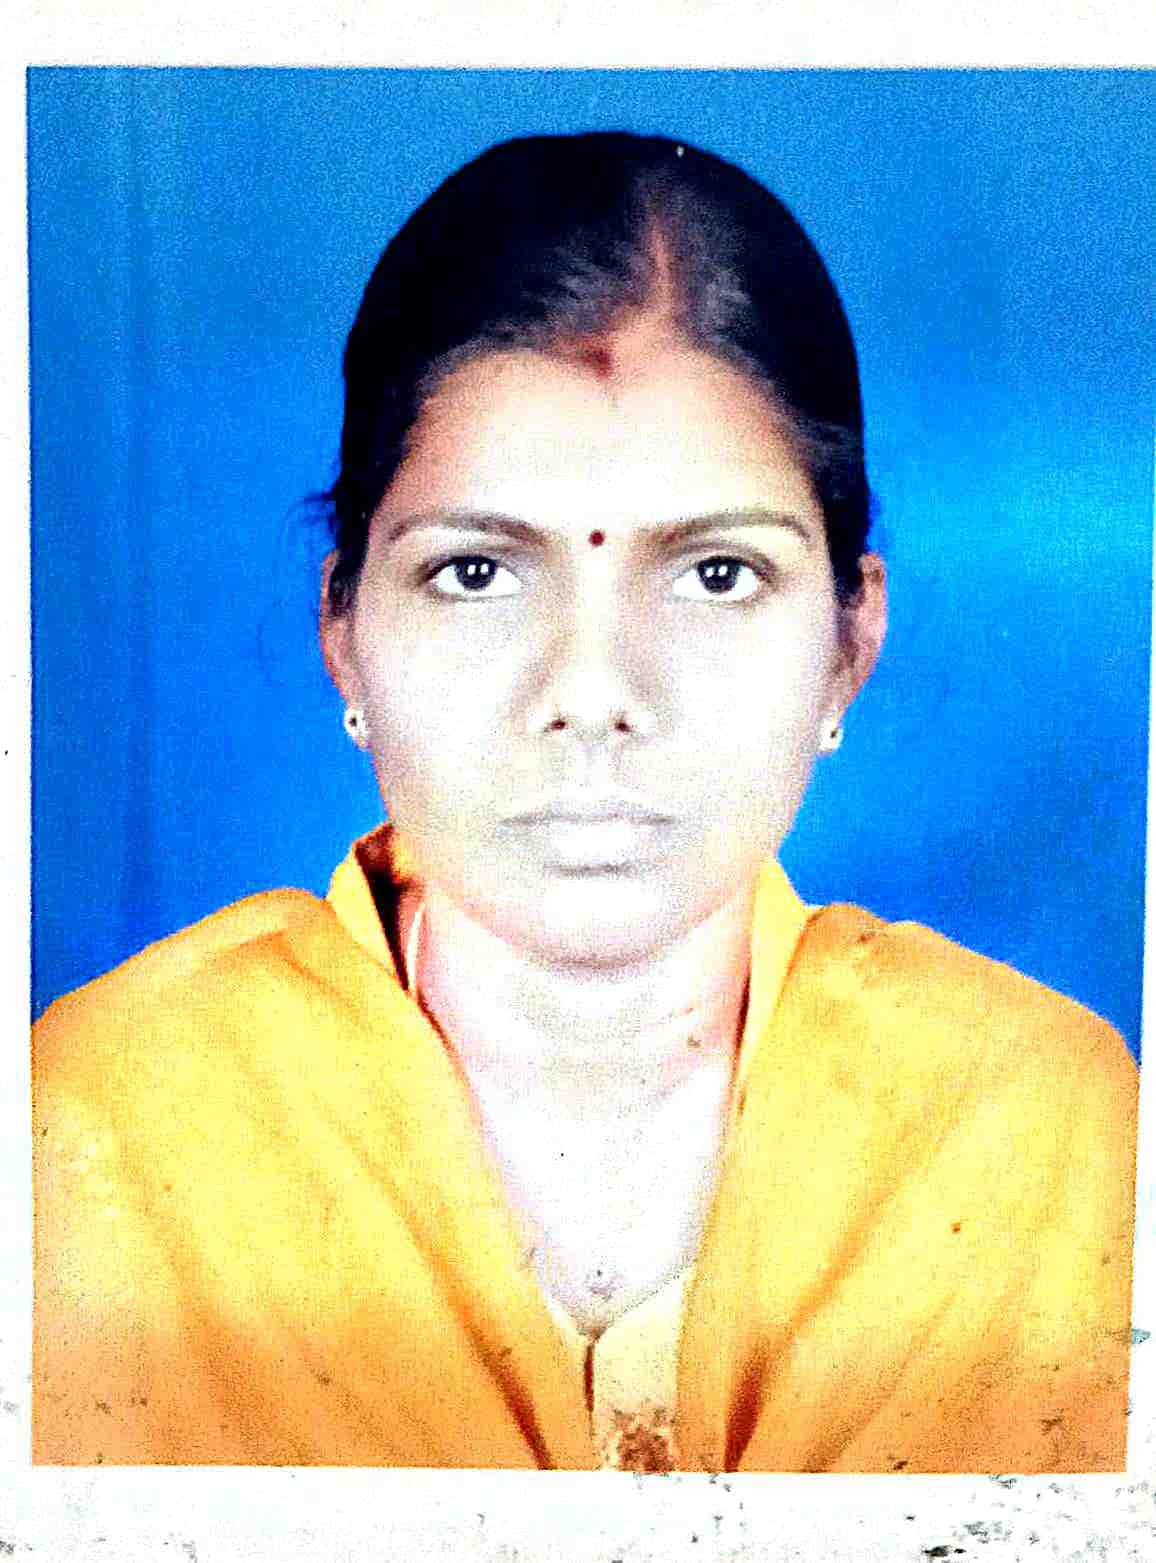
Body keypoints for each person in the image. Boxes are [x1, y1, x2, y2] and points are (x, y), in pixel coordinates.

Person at [32, 130, 1138, 1473]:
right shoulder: (97, 1127)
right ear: (345, 632)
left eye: (717, 574)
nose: (596, 694)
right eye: (478, 574)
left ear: (852, 640)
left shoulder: (1047, 1131)